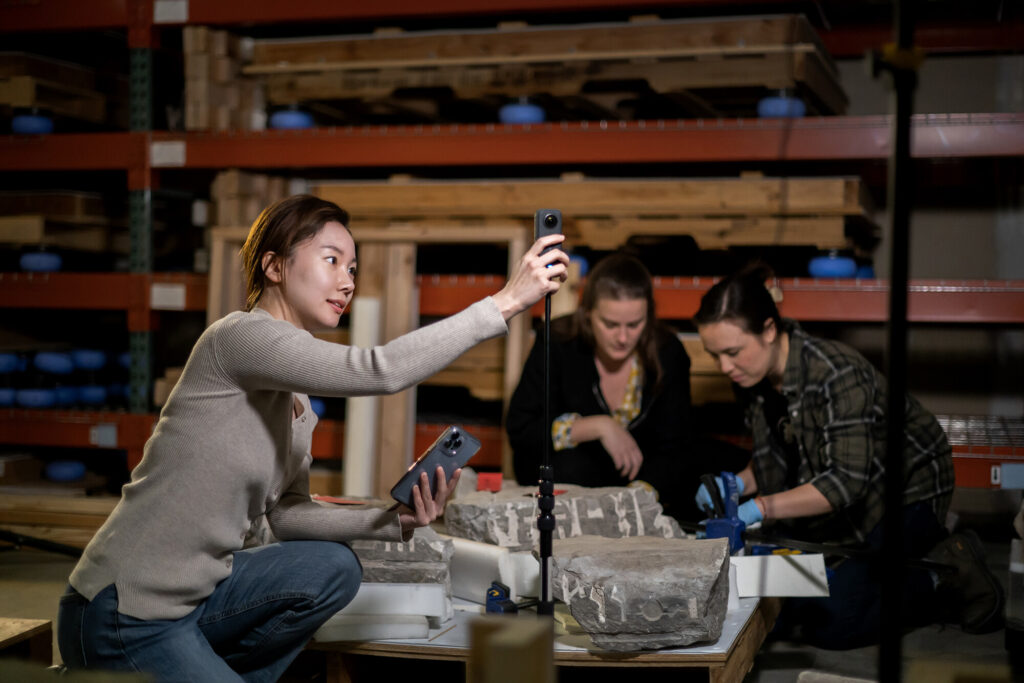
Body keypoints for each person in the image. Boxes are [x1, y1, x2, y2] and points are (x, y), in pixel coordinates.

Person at [57, 194, 568, 682]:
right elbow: (380, 369)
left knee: (332, 567)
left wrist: (390, 520)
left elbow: (287, 515)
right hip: (125, 610)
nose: (346, 282)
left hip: (195, 601)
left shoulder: (296, 406)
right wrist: (504, 302)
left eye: (351, 269)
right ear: (274, 267)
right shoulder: (238, 338)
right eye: (331, 260)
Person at [693, 264, 1004, 648]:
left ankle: (943, 573)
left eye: (732, 352)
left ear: (770, 330)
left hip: (906, 492)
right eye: (714, 355)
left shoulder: (836, 373)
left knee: (836, 621)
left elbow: (844, 484)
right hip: (838, 489)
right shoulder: (752, 377)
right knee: (783, 596)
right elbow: (779, 451)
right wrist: (738, 483)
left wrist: (760, 506)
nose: (725, 367)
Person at [507, 252, 720, 521]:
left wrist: (639, 497)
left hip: (642, 484)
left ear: (649, 316)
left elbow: (676, 444)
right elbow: (521, 430)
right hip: (571, 486)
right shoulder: (557, 343)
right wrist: (596, 427)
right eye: (610, 324)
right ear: (587, 315)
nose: (622, 337)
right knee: (571, 466)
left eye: (634, 325)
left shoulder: (668, 352)